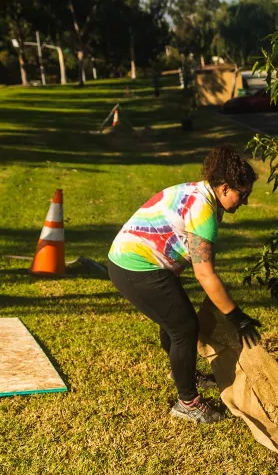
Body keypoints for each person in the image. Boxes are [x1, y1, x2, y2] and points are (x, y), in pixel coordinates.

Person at [107, 145, 262, 424]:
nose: (246, 201)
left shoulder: (201, 192)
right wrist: (237, 317)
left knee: (177, 322)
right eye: (244, 194)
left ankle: (183, 373)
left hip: (136, 262)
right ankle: (187, 402)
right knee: (184, 328)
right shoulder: (203, 210)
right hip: (136, 267)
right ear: (225, 188)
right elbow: (205, 275)